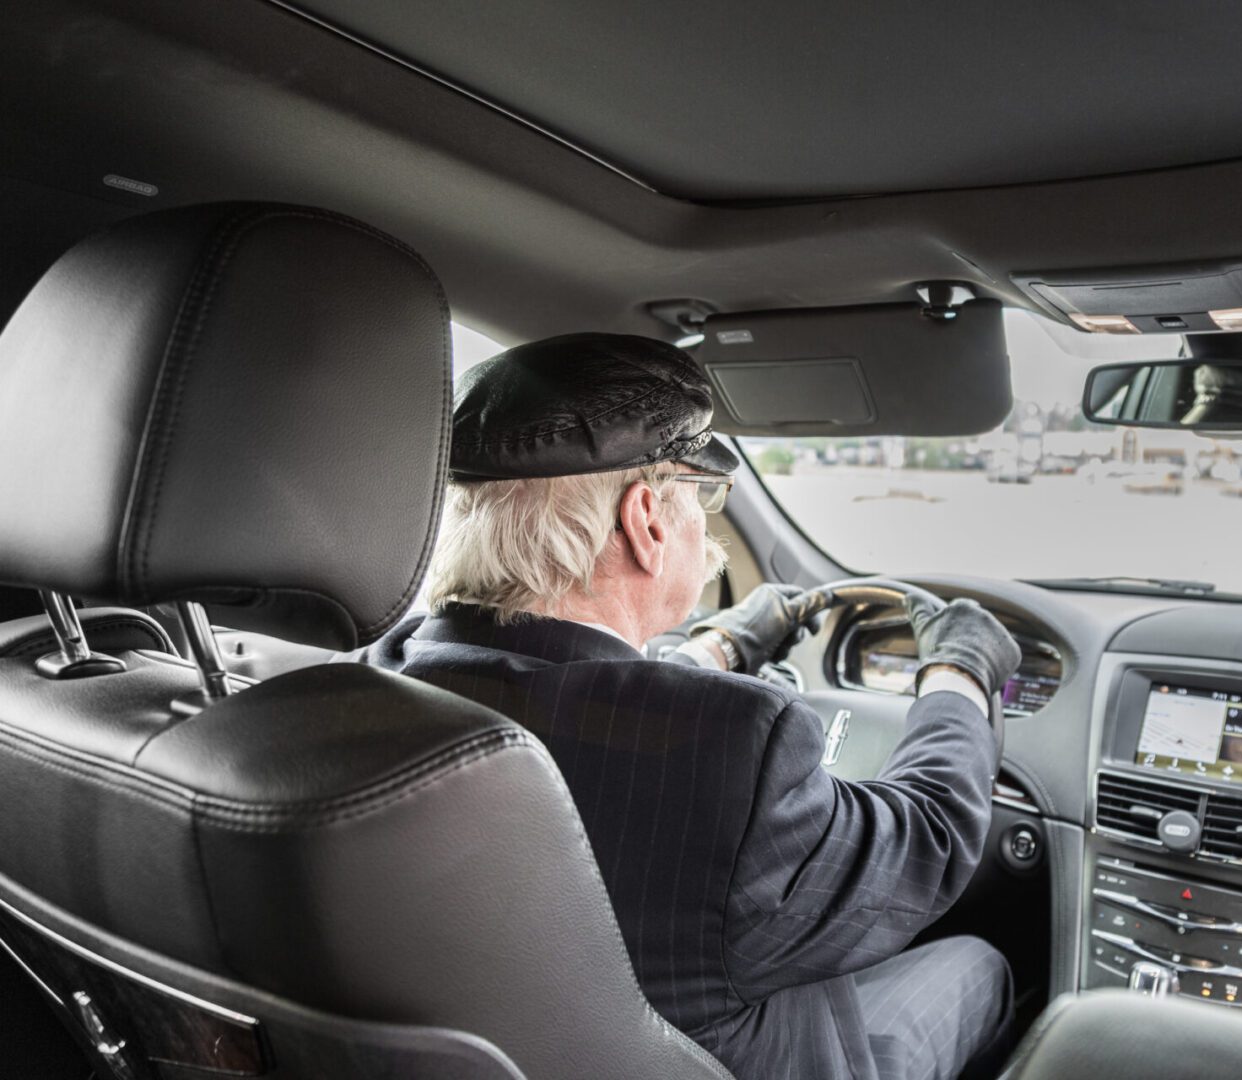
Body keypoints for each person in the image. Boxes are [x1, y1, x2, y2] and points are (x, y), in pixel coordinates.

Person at [353, 332, 1021, 1080]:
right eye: (701, 495)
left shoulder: (373, 687)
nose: (705, 524)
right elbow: (928, 840)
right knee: (980, 961)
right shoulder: (737, 746)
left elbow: (566, 694)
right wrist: (961, 670)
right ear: (646, 520)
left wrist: (719, 649)